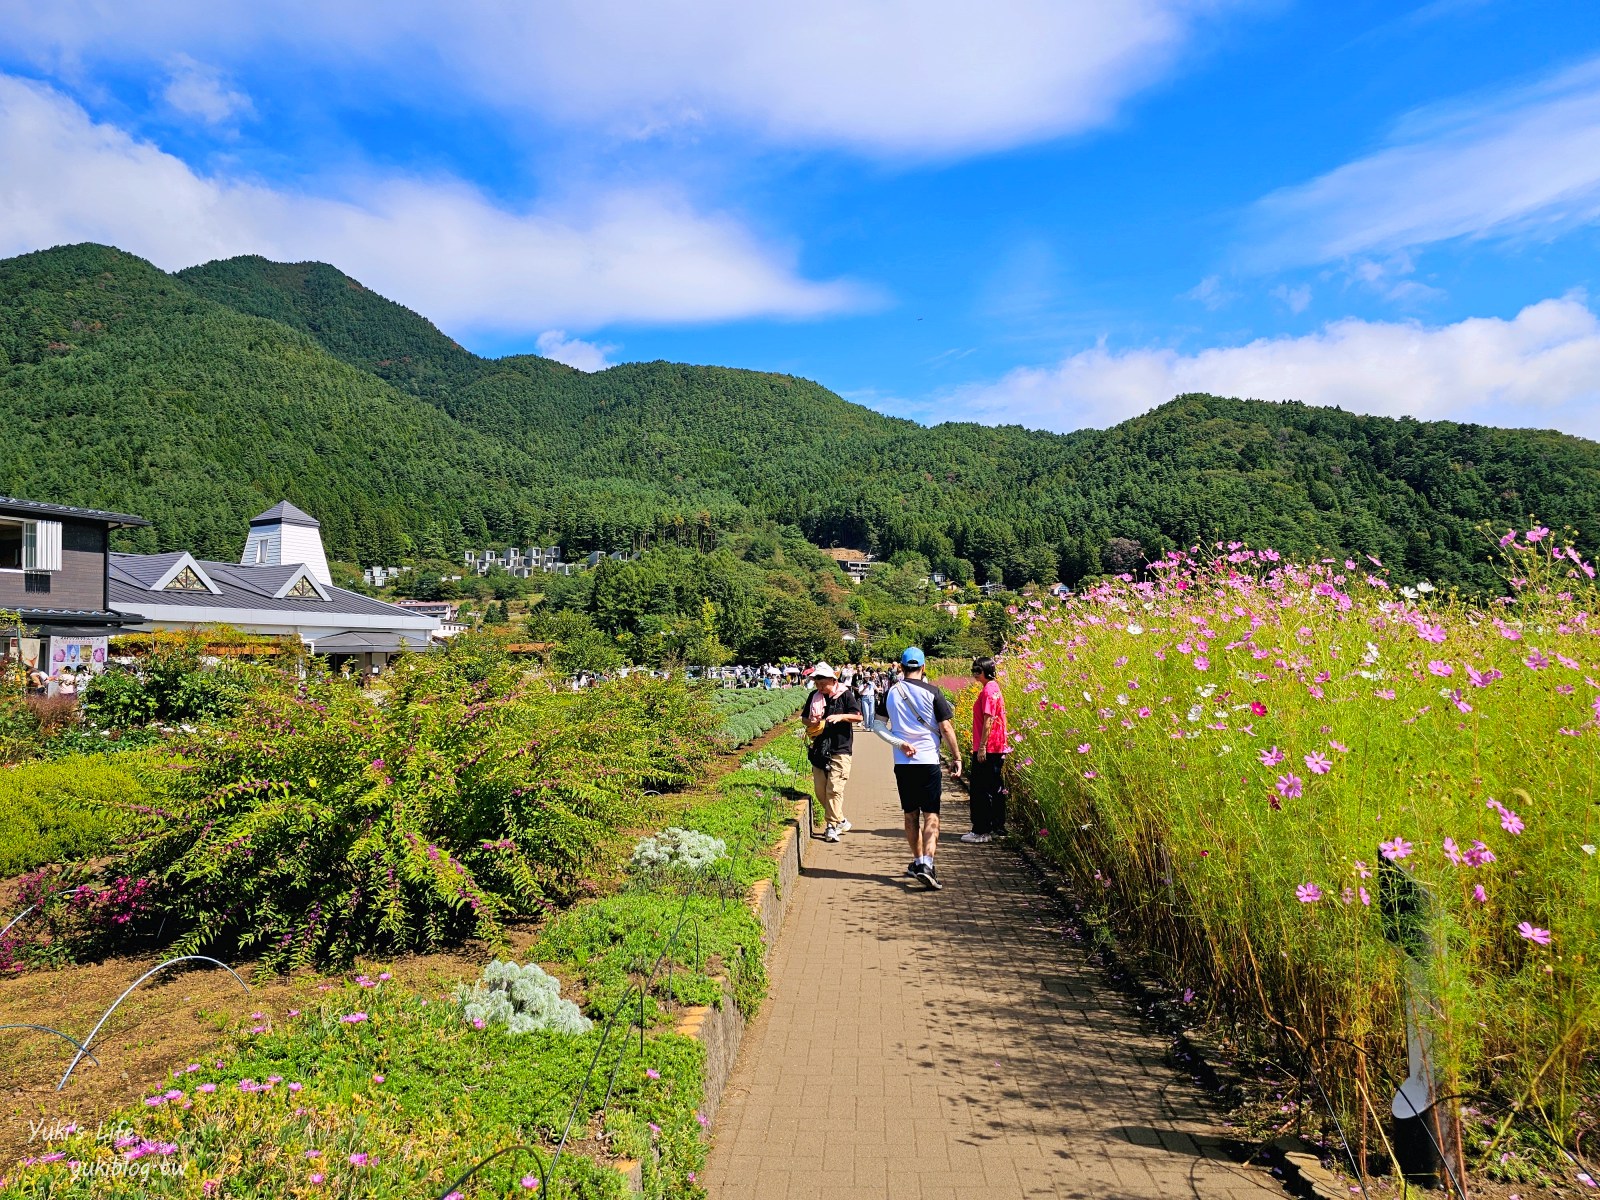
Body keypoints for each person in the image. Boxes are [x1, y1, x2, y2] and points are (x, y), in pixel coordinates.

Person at [874, 646, 962, 889]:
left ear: (901, 668)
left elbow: (877, 726)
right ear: (923, 667)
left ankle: (917, 861)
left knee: (910, 814)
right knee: (931, 813)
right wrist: (957, 757)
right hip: (929, 762)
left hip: (903, 764)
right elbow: (945, 728)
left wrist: (899, 742)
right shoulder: (933, 692)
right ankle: (927, 864)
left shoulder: (891, 692)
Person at [804, 662, 861, 842]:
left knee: (834, 789)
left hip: (841, 748)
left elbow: (858, 716)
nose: (820, 687)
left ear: (832, 680)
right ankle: (841, 819)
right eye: (817, 683)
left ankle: (831, 826)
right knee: (821, 790)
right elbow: (804, 718)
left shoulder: (845, 695)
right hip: (820, 748)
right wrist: (812, 722)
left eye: (823, 683)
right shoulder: (814, 696)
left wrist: (841, 716)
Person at [961, 657, 1009, 843]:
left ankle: (981, 830)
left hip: (988, 747)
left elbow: (988, 719)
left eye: (977, 670)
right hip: (996, 746)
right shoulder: (994, 687)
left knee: (980, 790)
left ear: (986, 671)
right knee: (995, 788)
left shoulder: (989, 691)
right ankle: (997, 826)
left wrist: (982, 747)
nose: (974, 674)